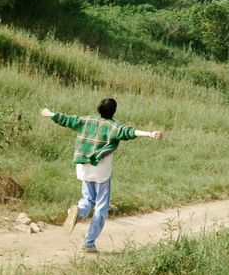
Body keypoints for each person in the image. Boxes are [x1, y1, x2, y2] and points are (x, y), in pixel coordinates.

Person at [40, 98, 163, 253]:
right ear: (114, 111)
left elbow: (66, 119)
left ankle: (79, 211)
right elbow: (130, 132)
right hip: (101, 171)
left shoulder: (86, 121)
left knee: (88, 199)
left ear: (99, 109)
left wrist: (48, 113)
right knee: (101, 207)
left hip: (83, 167)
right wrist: (150, 134)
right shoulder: (114, 126)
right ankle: (88, 243)